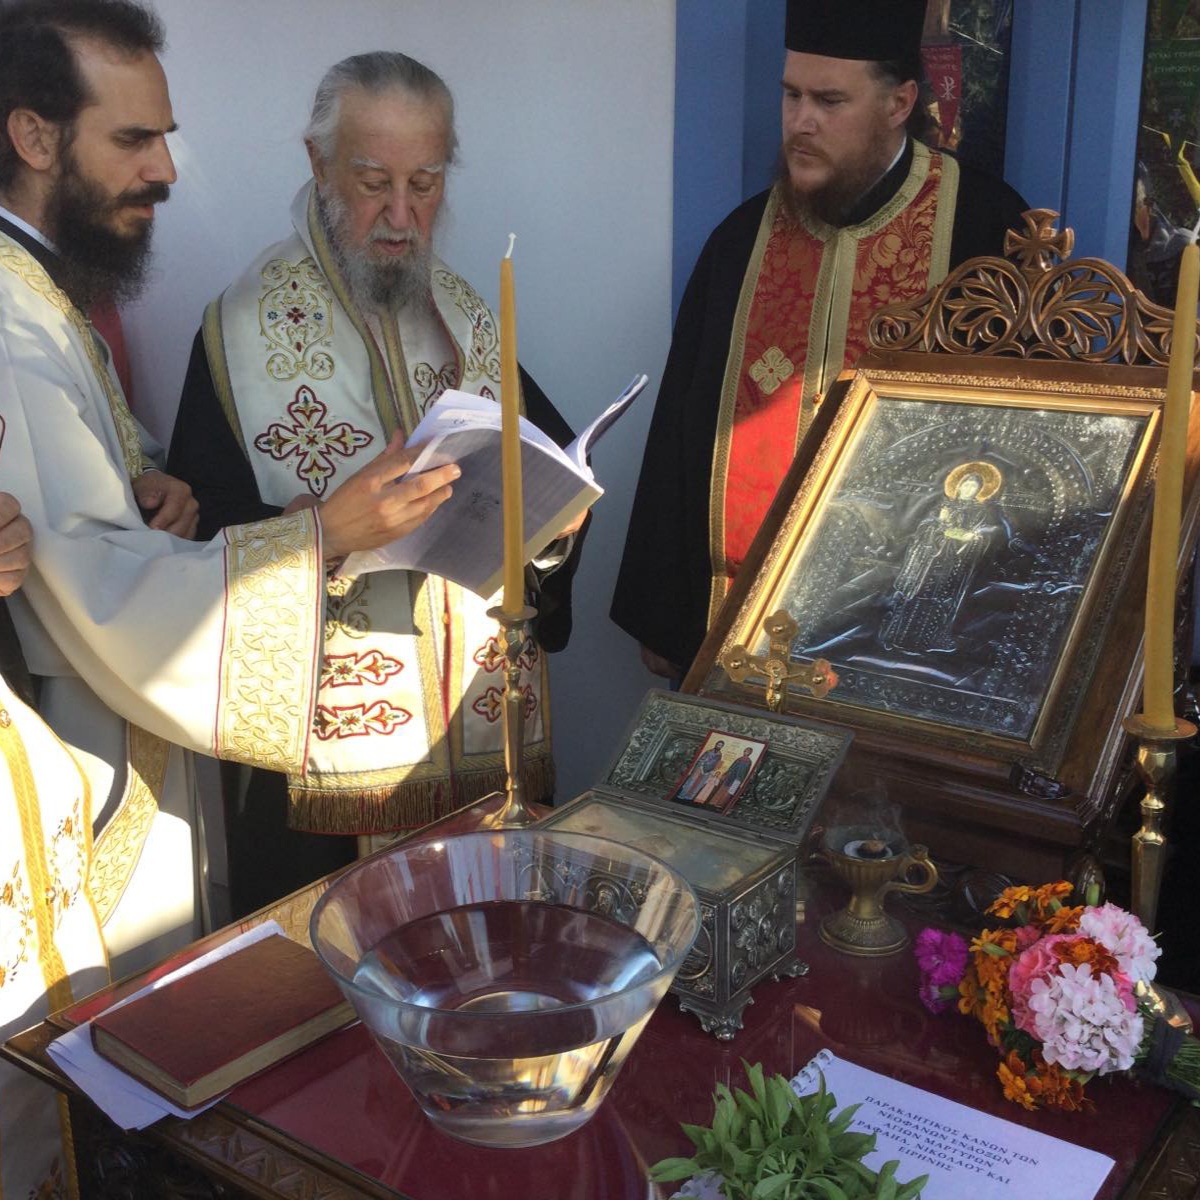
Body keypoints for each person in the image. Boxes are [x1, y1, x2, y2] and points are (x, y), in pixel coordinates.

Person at [0, 1, 461, 974]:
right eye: (134, 139)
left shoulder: (43, 293)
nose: (167, 168)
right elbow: (100, 583)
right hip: (105, 747)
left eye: (425, 183)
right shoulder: (26, 318)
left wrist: (146, 484)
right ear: (34, 139)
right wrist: (323, 535)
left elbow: (92, 501)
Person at [167, 52, 586, 915]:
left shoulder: (467, 315)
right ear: (319, 164)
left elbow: (543, 470)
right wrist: (323, 530)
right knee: (318, 971)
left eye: (425, 184)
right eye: (373, 183)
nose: (401, 216)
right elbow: (193, 536)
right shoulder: (239, 330)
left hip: (480, 731)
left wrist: (555, 527)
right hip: (320, 775)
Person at [611, 0, 1029, 681]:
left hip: (905, 635)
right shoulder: (740, 242)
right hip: (738, 623)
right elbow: (684, 431)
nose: (800, 122)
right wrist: (664, 613)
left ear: (899, 103)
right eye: (792, 95)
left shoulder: (983, 229)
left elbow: (1022, 444)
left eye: (829, 101)